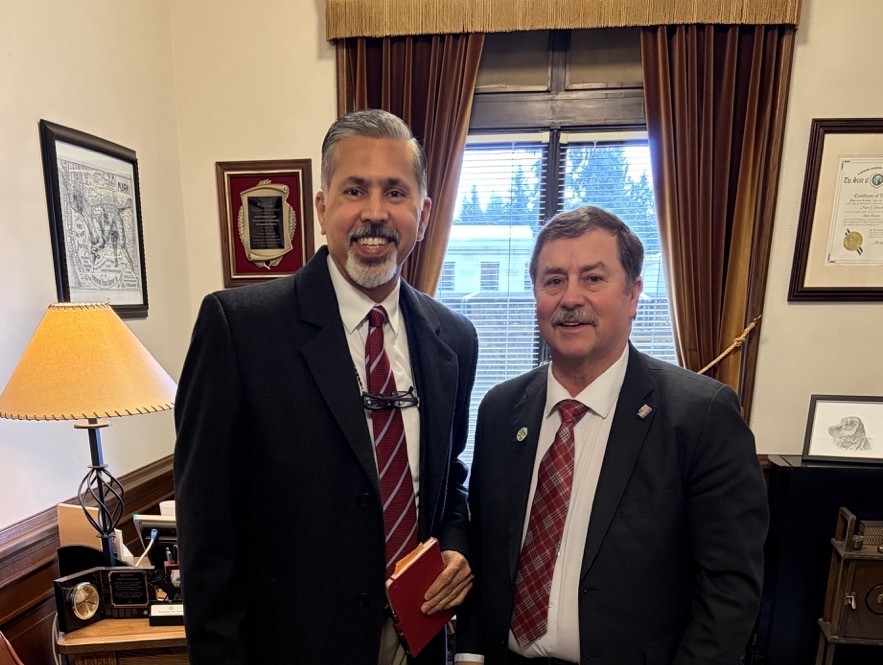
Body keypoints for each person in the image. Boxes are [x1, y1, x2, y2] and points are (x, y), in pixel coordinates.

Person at [174, 109, 478, 665]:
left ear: (424, 212)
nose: (374, 213)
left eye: (395, 192)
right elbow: (206, 537)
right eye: (354, 189)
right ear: (321, 208)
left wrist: (455, 547)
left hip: (419, 644)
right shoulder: (239, 329)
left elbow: (448, 480)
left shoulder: (454, 339)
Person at [456, 206, 769, 665]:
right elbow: (482, 553)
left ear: (634, 294)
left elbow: (730, 588)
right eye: (553, 280)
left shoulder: (701, 416)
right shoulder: (501, 409)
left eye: (593, 279)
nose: (570, 298)